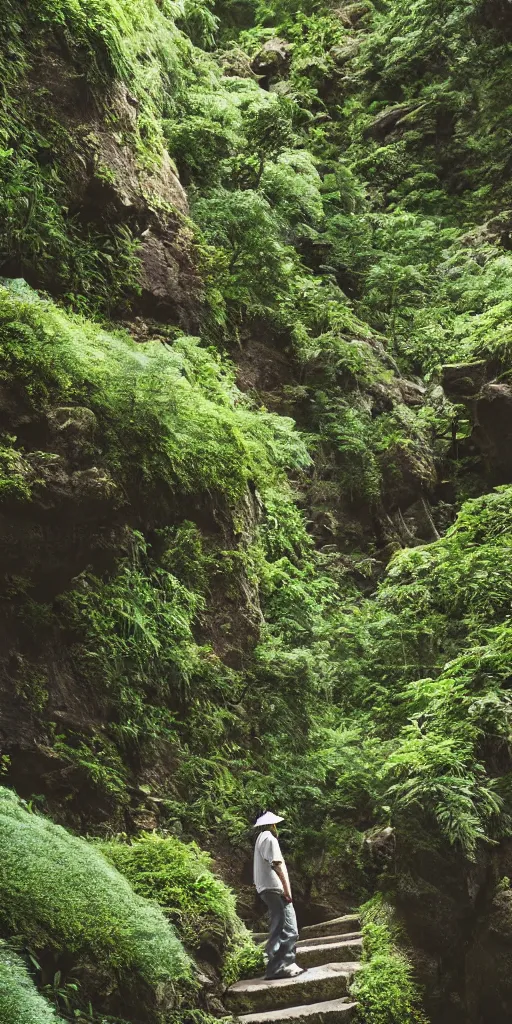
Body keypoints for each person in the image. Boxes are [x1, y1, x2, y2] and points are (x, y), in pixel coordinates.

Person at [253, 810, 305, 980]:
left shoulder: (260, 838)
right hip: (275, 888)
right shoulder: (269, 837)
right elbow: (276, 864)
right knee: (289, 929)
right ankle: (278, 966)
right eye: (276, 825)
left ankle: (285, 964)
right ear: (272, 825)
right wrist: (286, 890)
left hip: (268, 888)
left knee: (281, 928)